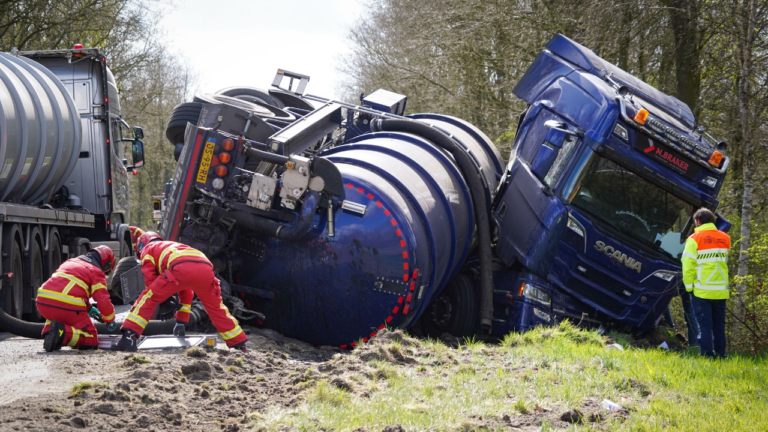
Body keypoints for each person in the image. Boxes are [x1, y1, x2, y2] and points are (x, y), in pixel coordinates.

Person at [115, 228, 248, 352]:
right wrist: (181, 322)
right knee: (216, 308)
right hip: (206, 269)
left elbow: (150, 281)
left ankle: (129, 338)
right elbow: (186, 292)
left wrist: (163, 299)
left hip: (180, 268)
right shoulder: (173, 246)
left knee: (147, 298)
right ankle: (239, 343)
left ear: (140, 246)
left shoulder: (148, 249)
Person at [36, 246, 117, 352]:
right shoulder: (96, 271)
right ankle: (62, 334)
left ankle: (49, 332)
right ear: (106, 264)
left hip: (42, 302)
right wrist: (109, 319)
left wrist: (89, 308)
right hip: (65, 306)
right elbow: (103, 301)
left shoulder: (70, 262)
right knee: (92, 339)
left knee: (55, 312)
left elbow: (70, 288)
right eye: (106, 271)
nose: (105, 273)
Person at [682, 208, 730, 358]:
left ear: (697, 221)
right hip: (721, 291)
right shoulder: (725, 238)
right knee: (719, 326)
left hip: (702, 291)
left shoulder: (694, 239)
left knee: (705, 326)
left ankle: (708, 356)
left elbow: (688, 266)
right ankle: (721, 355)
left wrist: (689, 287)